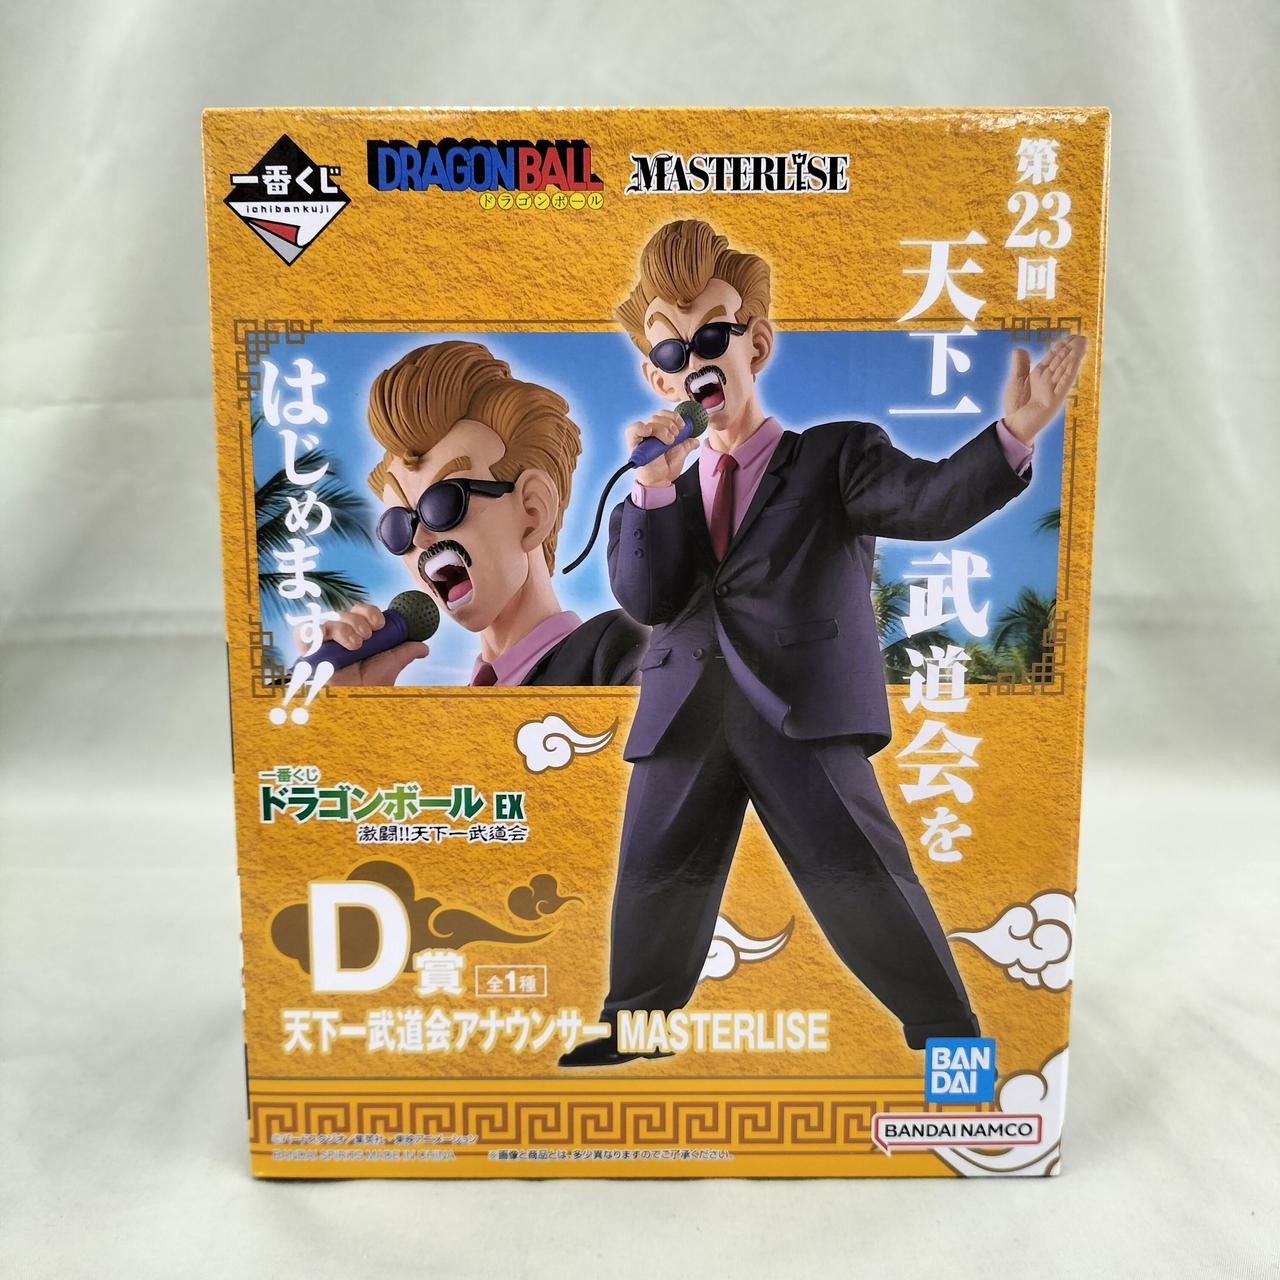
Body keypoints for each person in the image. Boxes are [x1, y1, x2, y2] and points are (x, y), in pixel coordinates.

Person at [559, 219, 1087, 1066]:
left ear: (755, 343)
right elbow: (647, 597)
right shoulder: (656, 494)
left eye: (711, 336)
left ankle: (948, 1035)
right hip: (683, 708)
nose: (692, 360)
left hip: (796, 705)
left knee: (861, 873)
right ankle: (634, 1026)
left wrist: (1011, 438)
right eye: (669, 350)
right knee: (656, 871)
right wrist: (655, 488)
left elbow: (929, 504)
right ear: (655, 374)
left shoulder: (834, 455)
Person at [315, 340, 645, 687]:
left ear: (533, 509)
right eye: (397, 527)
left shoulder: (617, 650)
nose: (419, 538)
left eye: (442, 505)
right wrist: (357, 707)